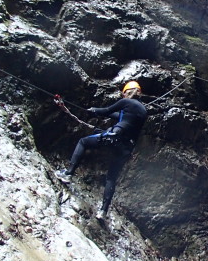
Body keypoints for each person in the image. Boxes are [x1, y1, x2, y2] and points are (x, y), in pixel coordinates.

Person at [55, 81, 148, 221]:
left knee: (83, 142)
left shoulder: (125, 102)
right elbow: (119, 117)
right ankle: (103, 212)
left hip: (115, 138)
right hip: (126, 148)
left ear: (125, 93)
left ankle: (68, 174)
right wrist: (98, 111)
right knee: (111, 177)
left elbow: (106, 111)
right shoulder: (143, 111)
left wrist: (93, 110)